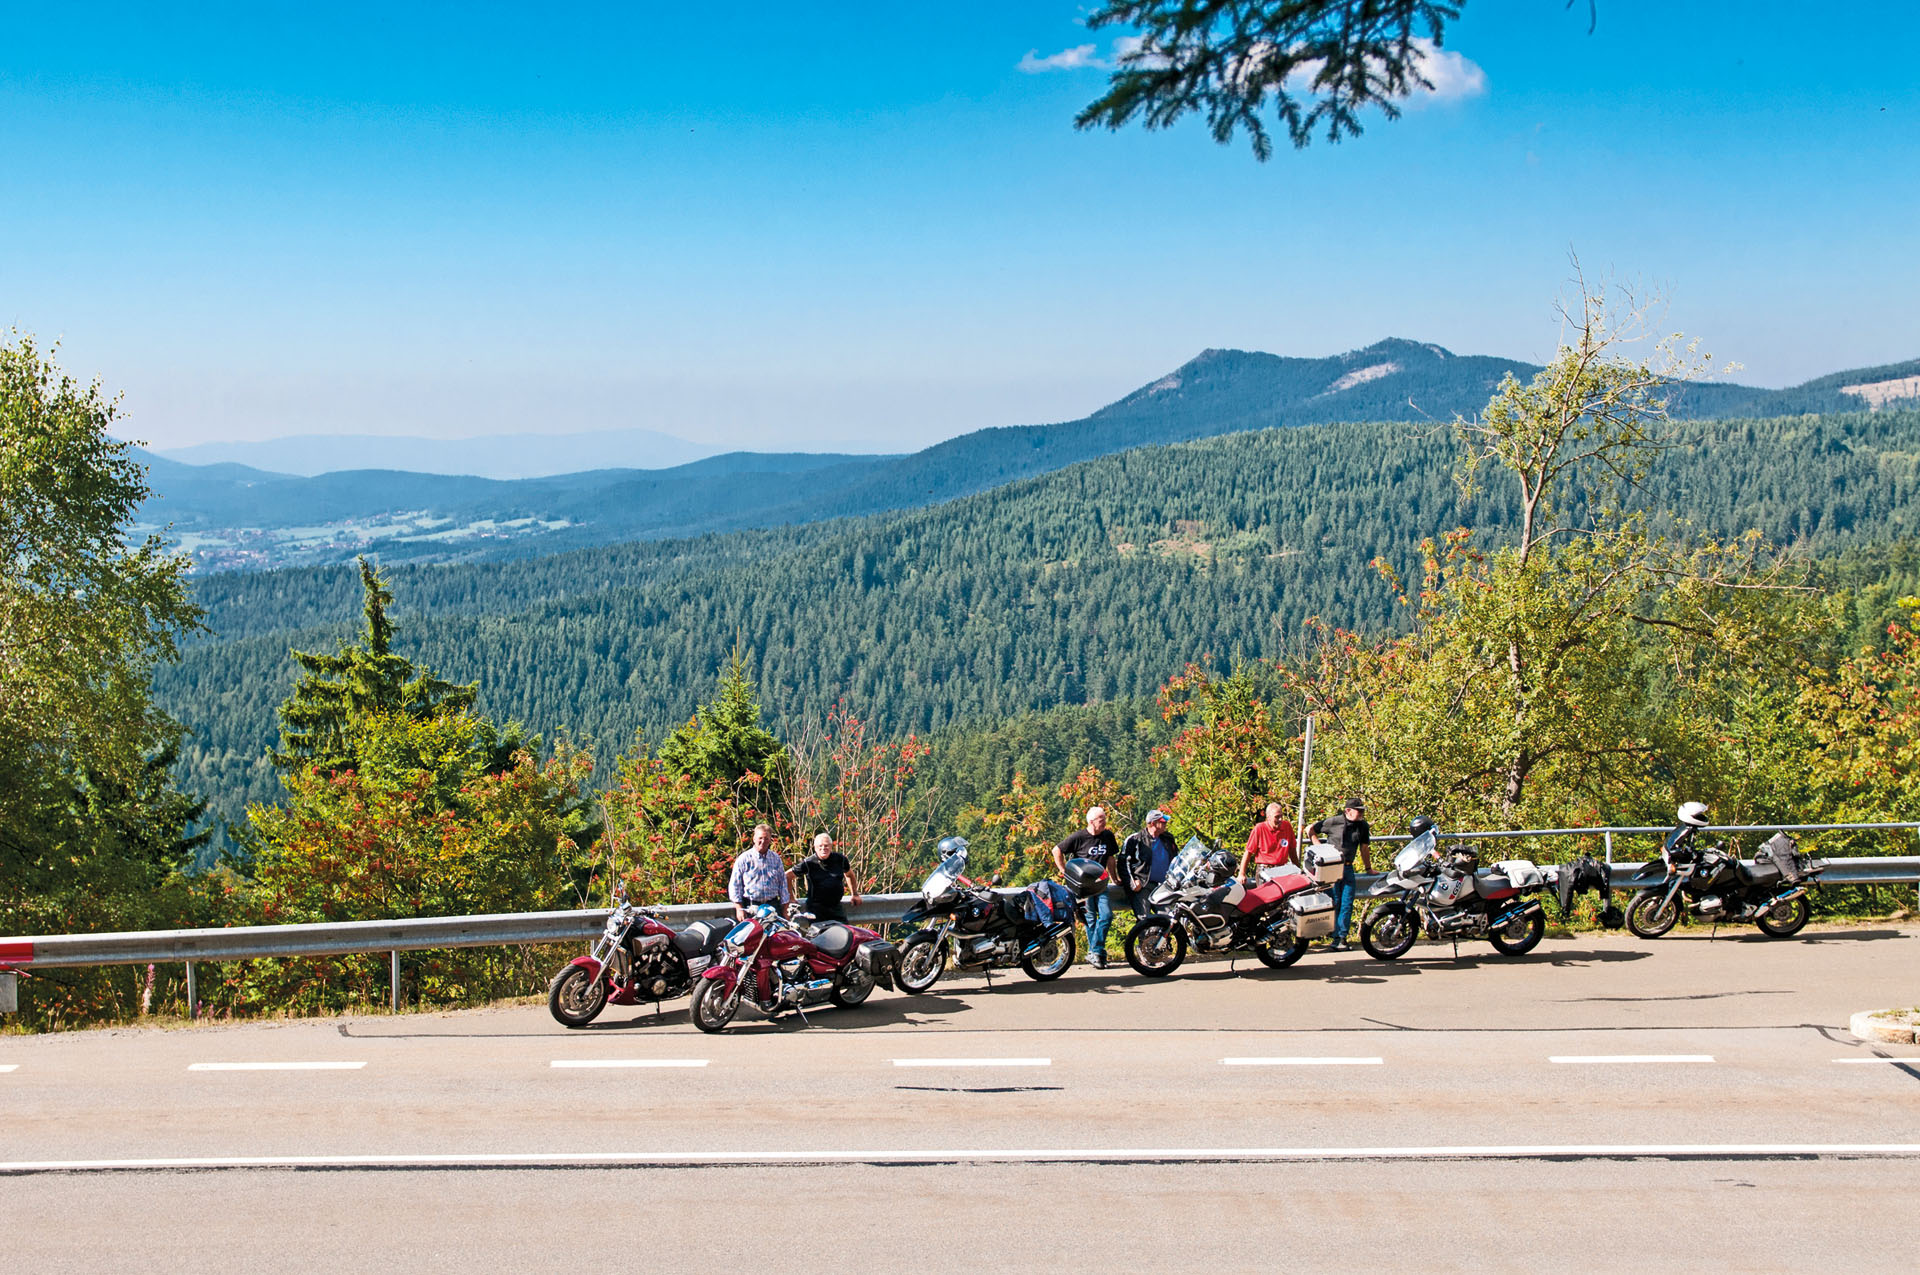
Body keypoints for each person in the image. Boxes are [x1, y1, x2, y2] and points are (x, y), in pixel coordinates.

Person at [1052, 805, 1121, 968]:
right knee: (1090, 919)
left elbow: (1111, 859)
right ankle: (1098, 955)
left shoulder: (1108, 836)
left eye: (1104, 818)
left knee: (1106, 916)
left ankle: (1095, 952)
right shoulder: (1079, 837)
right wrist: (1064, 871)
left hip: (1101, 884)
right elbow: (1057, 850)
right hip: (1083, 887)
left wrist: (1115, 878)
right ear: (1091, 821)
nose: (1104, 822)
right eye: (1101, 819)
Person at [1319, 797, 1373, 950]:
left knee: (1347, 903)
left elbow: (1364, 848)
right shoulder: (1334, 822)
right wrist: (1319, 848)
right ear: (1348, 811)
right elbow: (1311, 829)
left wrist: (1368, 868)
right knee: (1334, 900)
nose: (1362, 813)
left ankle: (1342, 937)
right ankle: (1334, 936)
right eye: (1359, 810)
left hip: (1348, 868)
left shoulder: (1362, 826)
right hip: (1332, 867)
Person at [788, 831, 861, 923]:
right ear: (815, 848)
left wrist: (854, 894)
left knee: (845, 935)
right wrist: (790, 897)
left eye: (826, 845)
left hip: (836, 907)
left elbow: (850, 875)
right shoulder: (808, 863)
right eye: (820, 846)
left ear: (831, 846)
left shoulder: (840, 859)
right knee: (821, 936)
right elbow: (787, 876)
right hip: (816, 909)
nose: (823, 848)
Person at [1118, 809, 1177, 915]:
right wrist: (1132, 883)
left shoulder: (1168, 838)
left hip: (1163, 886)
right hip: (1143, 885)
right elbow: (1123, 863)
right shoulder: (1135, 839)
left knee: (1168, 918)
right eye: (1162, 822)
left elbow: (1176, 859)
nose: (1165, 824)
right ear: (1153, 823)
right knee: (1144, 918)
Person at [728, 823, 791, 921]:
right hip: (751, 906)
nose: (763, 841)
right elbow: (735, 885)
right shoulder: (744, 859)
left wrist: (785, 908)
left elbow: (783, 885)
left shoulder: (776, 859)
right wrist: (739, 908)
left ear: (770, 840)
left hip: (772, 906)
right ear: (754, 838)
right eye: (760, 838)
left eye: (766, 838)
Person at [1237, 803, 1297, 884]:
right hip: (1265, 870)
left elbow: (1292, 851)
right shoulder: (1259, 828)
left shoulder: (1287, 826)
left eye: (1281, 816)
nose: (1280, 819)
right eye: (1277, 817)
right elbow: (1248, 852)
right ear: (1268, 817)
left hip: (1282, 869)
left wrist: (1298, 870)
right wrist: (1241, 874)